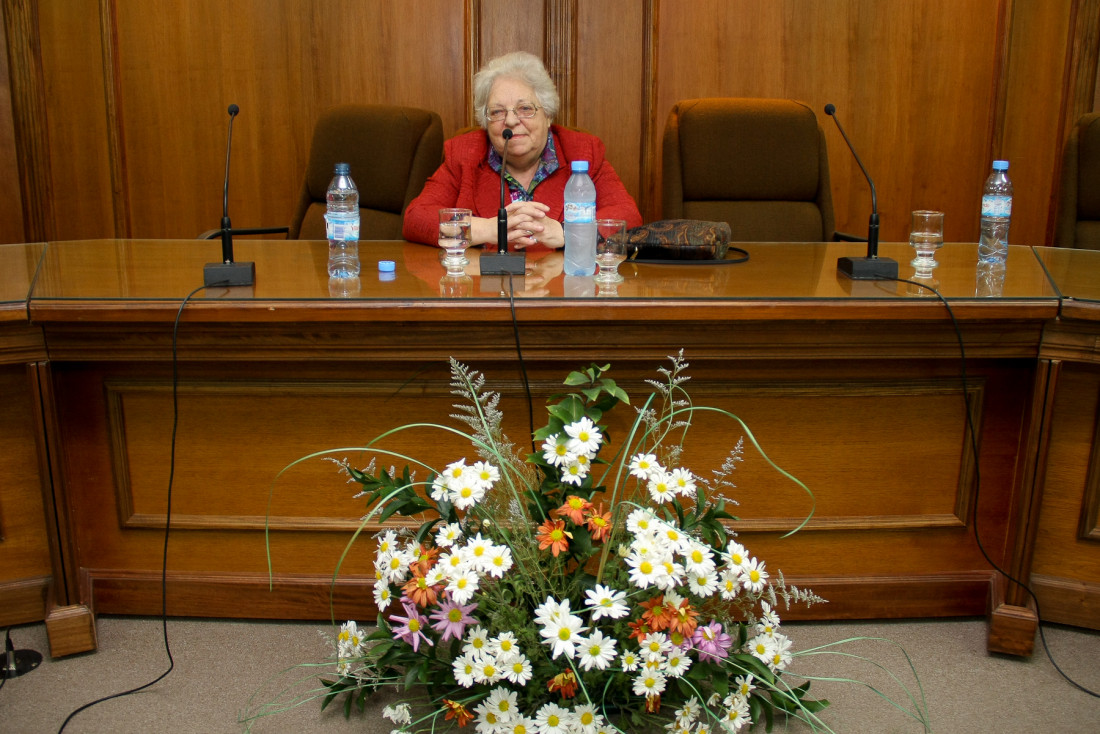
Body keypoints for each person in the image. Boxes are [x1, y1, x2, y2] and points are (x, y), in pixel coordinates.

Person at [402, 51, 642, 251]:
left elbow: (627, 217)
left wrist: (567, 233)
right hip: (485, 293)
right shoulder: (465, 154)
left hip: (563, 294)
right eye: (497, 112)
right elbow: (416, 218)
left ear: (547, 114)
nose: (511, 121)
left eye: (525, 108)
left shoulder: (582, 152)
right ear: (486, 122)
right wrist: (486, 229)